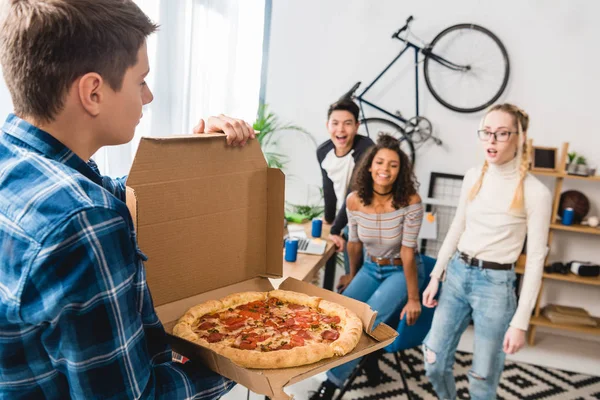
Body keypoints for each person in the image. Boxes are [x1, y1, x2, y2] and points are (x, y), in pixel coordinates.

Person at [0, 1, 254, 399]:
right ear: (93, 92)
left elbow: (119, 192)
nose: (149, 96)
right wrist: (249, 361)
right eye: (141, 81)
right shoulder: (84, 221)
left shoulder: (24, 164)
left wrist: (199, 155)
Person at [421, 104, 552, 400]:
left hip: (495, 287)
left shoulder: (536, 193)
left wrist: (520, 323)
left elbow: (535, 263)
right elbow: (457, 226)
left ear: (519, 137)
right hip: (455, 275)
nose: (491, 140)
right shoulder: (472, 176)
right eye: (486, 132)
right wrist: (436, 275)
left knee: (482, 377)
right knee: (432, 360)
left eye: (502, 134)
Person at [310, 134, 425, 400]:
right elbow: (355, 244)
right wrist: (351, 274)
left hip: (400, 269)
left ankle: (332, 383)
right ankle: (370, 363)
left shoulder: (411, 201)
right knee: (340, 315)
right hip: (371, 268)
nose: (385, 169)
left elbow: (408, 252)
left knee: (368, 321)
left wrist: (413, 297)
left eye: (393, 165)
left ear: (401, 170)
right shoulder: (354, 200)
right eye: (380, 162)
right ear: (370, 165)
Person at [316, 99, 374, 277]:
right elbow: (329, 189)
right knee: (353, 274)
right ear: (327, 126)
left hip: (369, 222)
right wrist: (329, 219)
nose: (340, 129)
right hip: (349, 220)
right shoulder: (323, 152)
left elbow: (354, 192)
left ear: (357, 126)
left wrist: (335, 230)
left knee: (362, 274)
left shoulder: (366, 148)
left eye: (347, 124)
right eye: (335, 123)